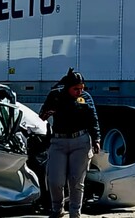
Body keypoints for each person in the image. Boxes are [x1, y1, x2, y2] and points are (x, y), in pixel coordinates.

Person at [38, 67, 101, 218]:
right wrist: (48, 112)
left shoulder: (85, 98)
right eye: (75, 89)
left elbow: (93, 120)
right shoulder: (56, 95)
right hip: (58, 142)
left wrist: (97, 139)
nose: (79, 92)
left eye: (81, 88)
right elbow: (42, 115)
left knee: (76, 181)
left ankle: (75, 213)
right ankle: (57, 209)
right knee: (55, 180)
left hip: (81, 142)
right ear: (68, 87)